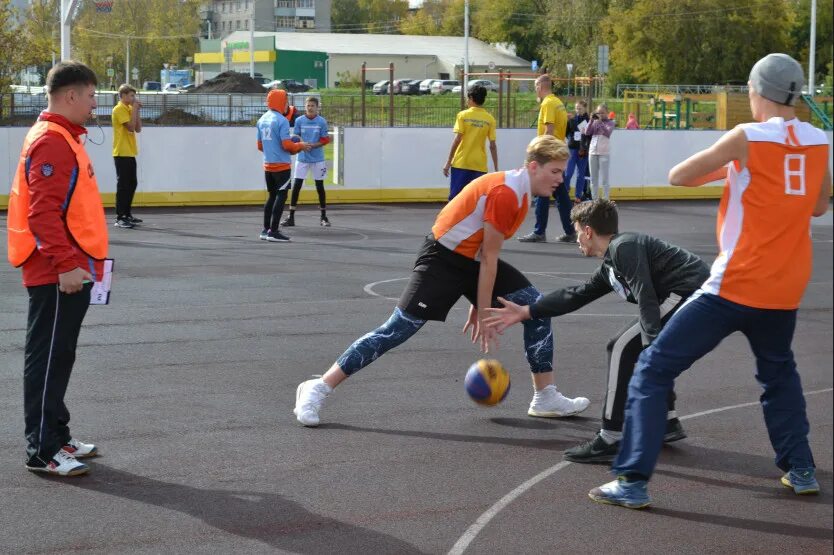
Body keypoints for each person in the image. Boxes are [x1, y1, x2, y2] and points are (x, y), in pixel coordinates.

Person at [589, 53, 832, 509]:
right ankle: (800, 468)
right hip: (785, 285)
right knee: (778, 374)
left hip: (736, 283)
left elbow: (678, 176)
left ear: (758, 92)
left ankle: (633, 480)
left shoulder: (746, 137)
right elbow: (819, 205)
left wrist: (733, 168)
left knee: (653, 368)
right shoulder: (818, 139)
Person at [293, 135, 590, 427]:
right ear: (534, 166)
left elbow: (483, 253)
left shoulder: (523, 191)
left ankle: (545, 396)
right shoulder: (506, 192)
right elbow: (488, 258)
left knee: (536, 307)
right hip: (442, 259)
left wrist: (478, 297)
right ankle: (319, 387)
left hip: (469, 259)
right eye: (555, 171)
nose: (560, 179)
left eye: (562, 172)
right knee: (397, 329)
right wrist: (484, 308)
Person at [485, 199, 710, 463]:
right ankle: (665, 422)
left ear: (588, 231)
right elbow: (577, 294)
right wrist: (527, 311)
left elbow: (646, 297)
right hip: (686, 296)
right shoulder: (612, 263)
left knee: (622, 347)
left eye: (577, 230)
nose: (577, 238)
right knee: (636, 346)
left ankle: (611, 437)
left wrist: (652, 348)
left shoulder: (625, 247)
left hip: (690, 294)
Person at [6, 61, 109, 476]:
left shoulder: (63, 137)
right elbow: (43, 213)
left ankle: (57, 436)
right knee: (48, 357)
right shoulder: (52, 140)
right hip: (55, 269)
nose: (93, 103)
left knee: (59, 354)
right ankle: (42, 450)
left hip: (66, 265)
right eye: (89, 95)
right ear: (70, 96)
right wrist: (66, 265)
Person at [518, 74, 575, 243]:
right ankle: (570, 231)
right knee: (561, 195)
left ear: (540, 86)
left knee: (542, 191)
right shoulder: (558, 103)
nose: (536, 90)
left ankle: (539, 231)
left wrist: (539, 152)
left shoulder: (548, 103)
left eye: (536, 87)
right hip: (557, 153)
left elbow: (549, 129)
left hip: (549, 155)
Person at [256, 89, 311, 242]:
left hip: (268, 165)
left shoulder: (261, 120)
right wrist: (300, 145)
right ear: (281, 102)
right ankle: (274, 231)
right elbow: (287, 146)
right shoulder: (281, 120)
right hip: (282, 166)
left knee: (271, 196)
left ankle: (265, 229)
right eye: (286, 101)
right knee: (281, 196)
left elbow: (260, 146)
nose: (287, 104)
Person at [281, 96, 332, 227]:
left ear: (317, 107)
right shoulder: (299, 120)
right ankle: (291, 216)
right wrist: (301, 144)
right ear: (305, 107)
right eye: (308, 105)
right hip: (302, 158)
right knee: (296, 186)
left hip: (318, 159)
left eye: (312, 106)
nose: (310, 108)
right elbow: (296, 137)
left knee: (320, 187)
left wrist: (313, 145)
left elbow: (325, 139)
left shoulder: (322, 122)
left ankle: (323, 217)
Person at [442, 84, 498, 200]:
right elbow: (492, 146)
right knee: (475, 200)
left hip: (461, 162)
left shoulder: (463, 115)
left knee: (456, 199)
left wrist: (448, 161)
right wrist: (496, 168)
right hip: (479, 165)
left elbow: (458, 139)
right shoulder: (490, 119)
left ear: (471, 98)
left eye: (468, 98)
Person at [111, 84, 143, 229]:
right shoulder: (119, 109)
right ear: (123, 96)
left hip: (129, 152)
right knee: (123, 185)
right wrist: (134, 110)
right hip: (121, 152)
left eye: (133, 96)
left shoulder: (129, 109)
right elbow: (129, 126)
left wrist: (137, 111)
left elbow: (138, 128)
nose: (133, 98)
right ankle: (120, 216)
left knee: (132, 183)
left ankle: (127, 213)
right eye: (131, 95)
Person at [585, 104, 615, 200]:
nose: (601, 114)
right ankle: (595, 200)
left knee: (605, 179)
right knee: (593, 179)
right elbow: (587, 132)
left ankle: (606, 200)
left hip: (604, 153)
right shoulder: (594, 122)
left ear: (607, 113)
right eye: (599, 112)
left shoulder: (610, 122)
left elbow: (607, 133)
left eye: (603, 112)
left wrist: (600, 122)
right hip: (592, 152)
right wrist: (591, 120)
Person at [563, 101, 590, 203]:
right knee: (568, 173)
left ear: (585, 108)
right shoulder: (572, 120)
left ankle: (578, 196)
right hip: (572, 149)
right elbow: (567, 133)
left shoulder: (589, 120)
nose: (578, 110)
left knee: (581, 174)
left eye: (580, 108)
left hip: (583, 151)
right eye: (576, 108)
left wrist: (584, 146)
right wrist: (571, 139)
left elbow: (590, 135)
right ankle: (565, 192)